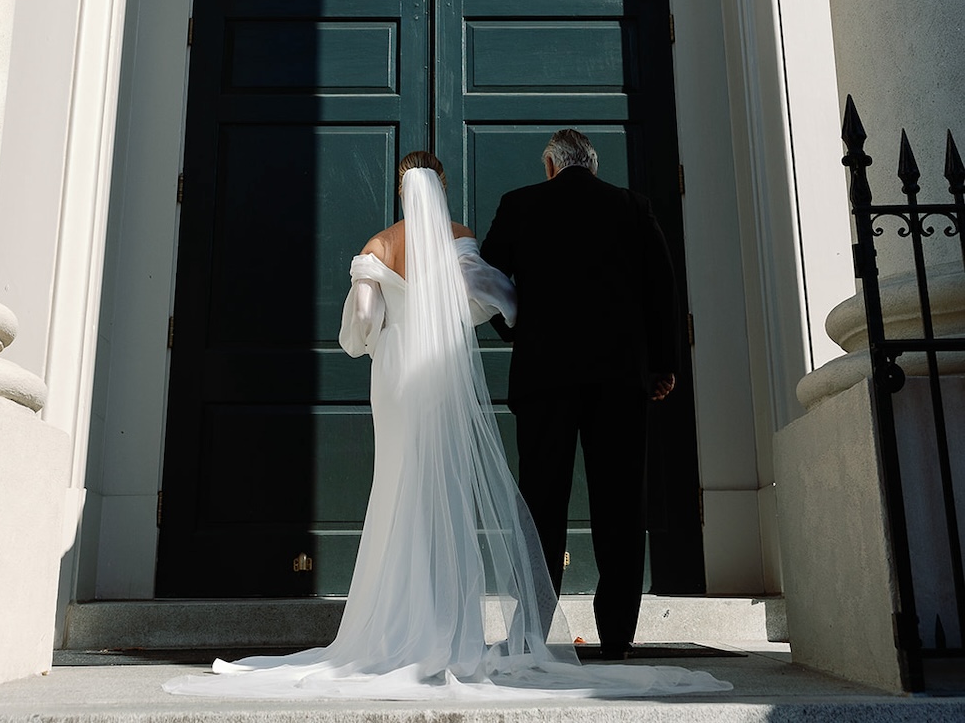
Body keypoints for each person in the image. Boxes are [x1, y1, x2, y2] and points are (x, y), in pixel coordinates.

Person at [164, 152, 726, 702]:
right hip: (491, 372)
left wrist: (367, 342)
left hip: (403, 375)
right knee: (538, 495)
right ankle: (587, 636)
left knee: (412, 488)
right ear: (444, 185)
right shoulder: (483, 232)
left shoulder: (381, 243)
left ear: (401, 189)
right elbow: (500, 293)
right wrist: (531, 323)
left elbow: (361, 321)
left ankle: (450, 624)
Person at [480, 128, 679, 659]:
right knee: (619, 503)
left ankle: (531, 631)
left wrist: (518, 331)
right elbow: (662, 290)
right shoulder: (632, 206)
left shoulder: (519, 204)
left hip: (544, 378)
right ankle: (616, 634)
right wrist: (661, 367)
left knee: (541, 503)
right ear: (591, 165)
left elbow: (489, 280)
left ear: (550, 165)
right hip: (618, 380)